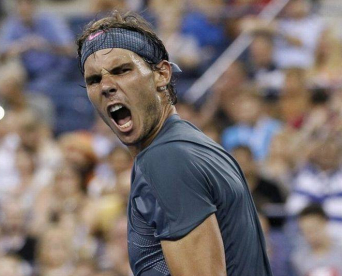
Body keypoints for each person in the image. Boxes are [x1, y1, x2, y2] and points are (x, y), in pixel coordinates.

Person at [77, 11, 272, 276]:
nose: (107, 86)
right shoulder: (194, 145)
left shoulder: (166, 159)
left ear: (162, 74)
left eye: (122, 70)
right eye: (94, 80)